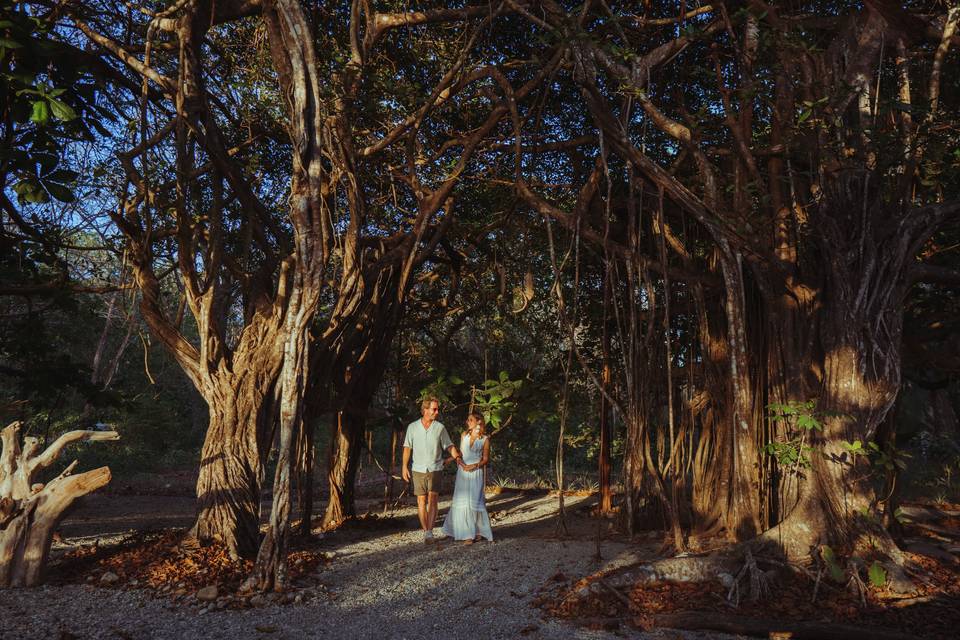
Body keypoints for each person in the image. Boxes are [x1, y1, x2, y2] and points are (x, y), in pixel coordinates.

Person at [401, 397, 464, 543]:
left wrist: (457, 458)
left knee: (433, 499)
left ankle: (429, 532)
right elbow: (407, 448)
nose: (437, 412)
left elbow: (449, 446)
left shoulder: (440, 428)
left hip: (435, 468)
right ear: (425, 410)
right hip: (418, 468)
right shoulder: (412, 427)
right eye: (434, 409)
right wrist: (404, 466)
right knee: (421, 500)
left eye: (437, 409)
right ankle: (426, 531)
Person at [441, 411, 493, 544]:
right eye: (468, 420)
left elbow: (486, 459)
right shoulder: (464, 435)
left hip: (476, 473)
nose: (467, 422)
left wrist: (475, 466)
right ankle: (466, 533)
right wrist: (450, 459)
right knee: (462, 500)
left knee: (474, 501)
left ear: (478, 422)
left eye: (470, 420)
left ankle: (476, 532)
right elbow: (460, 452)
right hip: (462, 472)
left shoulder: (485, 439)